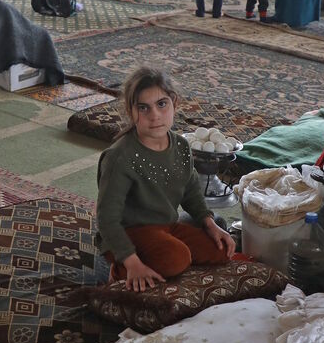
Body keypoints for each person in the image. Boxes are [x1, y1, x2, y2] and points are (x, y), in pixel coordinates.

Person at [96, 67, 235, 291]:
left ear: (174, 103)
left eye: (162, 104)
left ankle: (164, 251)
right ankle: (120, 269)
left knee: (221, 249)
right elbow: (107, 219)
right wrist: (132, 263)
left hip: (166, 225)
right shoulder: (119, 157)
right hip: (128, 233)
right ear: (131, 112)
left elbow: (190, 191)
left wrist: (209, 224)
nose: (155, 115)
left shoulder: (180, 146)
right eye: (144, 107)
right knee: (177, 259)